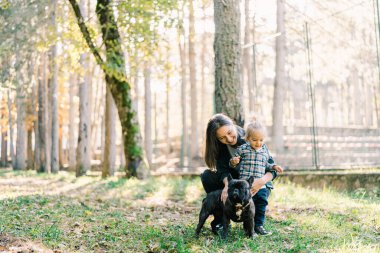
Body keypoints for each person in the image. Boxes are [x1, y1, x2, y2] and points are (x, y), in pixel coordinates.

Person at [201, 113, 281, 234]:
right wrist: (227, 185)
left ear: (232, 124)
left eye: (229, 132)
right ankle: (221, 220)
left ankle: (254, 223)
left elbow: (272, 170)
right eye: (222, 138)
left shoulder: (253, 136)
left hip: (256, 183)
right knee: (207, 176)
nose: (228, 139)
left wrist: (261, 182)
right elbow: (223, 170)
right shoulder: (221, 147)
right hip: (235, 183)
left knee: (259, 202)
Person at [229, 119, 283, 236]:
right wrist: (234, 161)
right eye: (254, 140)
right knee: (247, 205)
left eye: (261, 140)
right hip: (246, 185)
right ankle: (248, 226)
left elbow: (266, 165)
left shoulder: (264, 150)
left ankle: (258, 225)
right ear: (248, 138)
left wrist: (274, 166)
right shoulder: (243, 149)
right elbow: (233, 163)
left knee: (261, 204)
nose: (258, 143)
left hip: (261, 186)